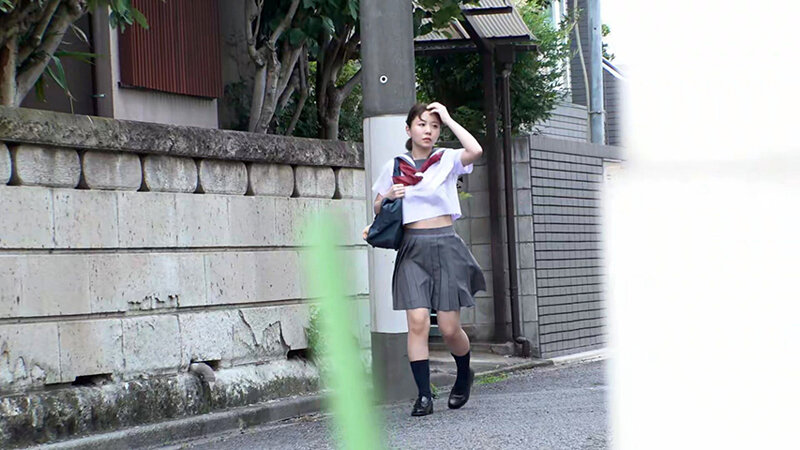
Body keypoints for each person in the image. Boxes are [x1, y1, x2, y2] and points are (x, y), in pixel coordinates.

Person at [363, 102, 487, 416]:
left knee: (448, 328)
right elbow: (377, 206)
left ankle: (464, 374)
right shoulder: (396, 165)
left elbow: (475, 150)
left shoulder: (446, 159)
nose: (428, 130)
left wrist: (448, 117)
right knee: (417, 322)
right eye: (422, 124)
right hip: (412, 247)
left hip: (445, 245)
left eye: (434, 125)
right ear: (409, 129)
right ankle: (423, 396)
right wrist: (389, 196)